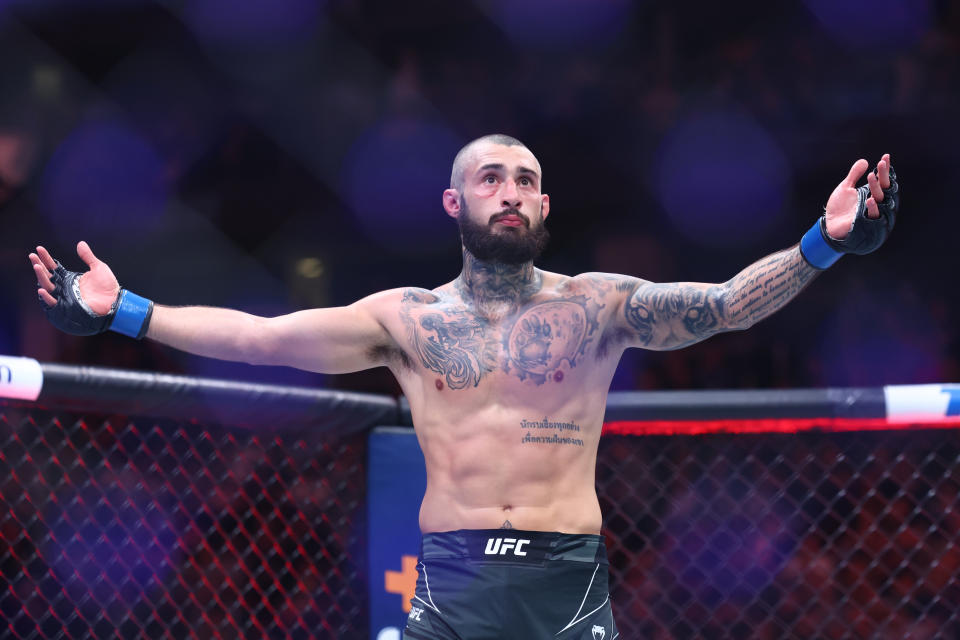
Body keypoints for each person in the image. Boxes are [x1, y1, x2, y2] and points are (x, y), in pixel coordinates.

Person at [29, 134, 898, 639]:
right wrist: (127, 313)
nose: (510, 192)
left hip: (569, 577)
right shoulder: (402, 319)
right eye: (491, 178)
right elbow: (261, 341)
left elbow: (721, 307)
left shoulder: (596, 305)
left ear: (546, 207)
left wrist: (822, 244)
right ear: (454, 204)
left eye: (525, 181)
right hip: (455, 576)